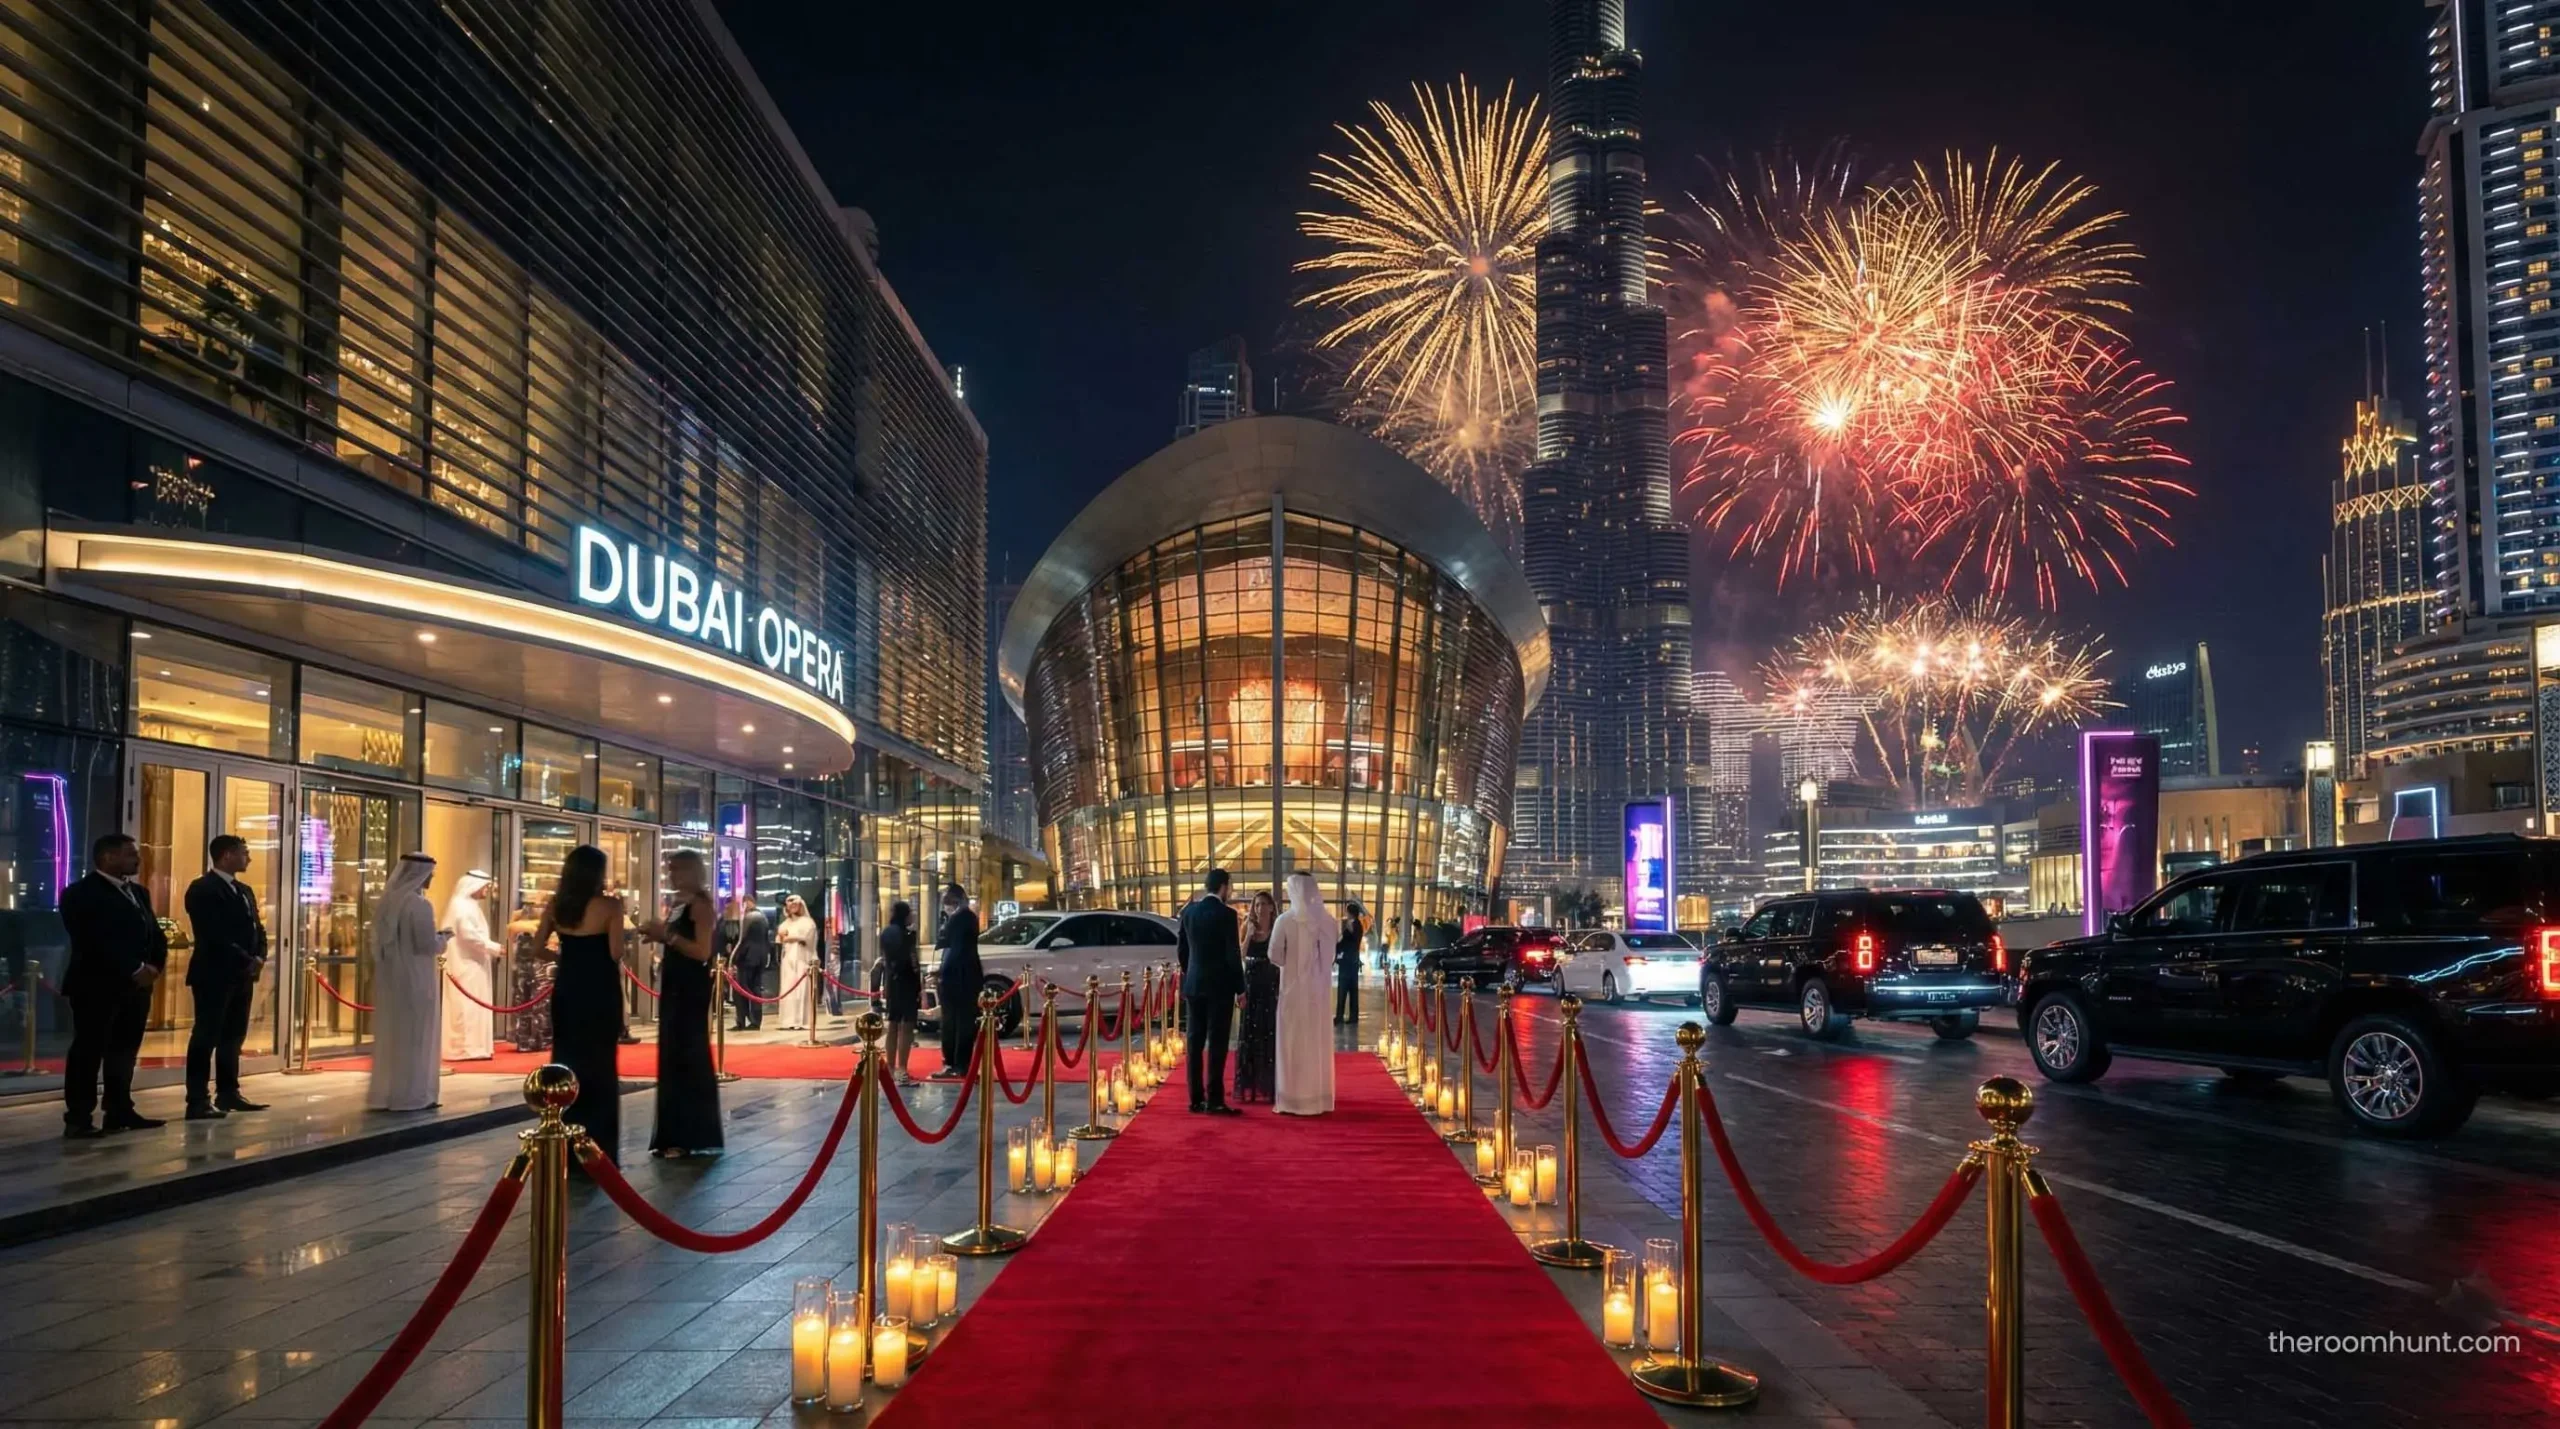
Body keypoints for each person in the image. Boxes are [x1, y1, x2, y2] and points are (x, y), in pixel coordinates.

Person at [59, 833, 167, 1137]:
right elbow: (91, 941)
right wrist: (132, 968)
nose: (137, 858)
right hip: (97, 986)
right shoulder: (79, 894)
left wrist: (154, 967)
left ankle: (119, 1109)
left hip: (137, 988)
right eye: (130, 854)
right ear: (108, 857)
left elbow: (154, 934)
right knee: (89, 1050)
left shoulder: (139, 893)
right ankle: (79, 1117)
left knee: (124, 1050)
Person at [542, 845, 630, 1164]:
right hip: (600, 989)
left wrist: (567, 958)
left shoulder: (557, 906)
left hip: (568, 987)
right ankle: (599, 1147)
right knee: (601, 1065)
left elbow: (537, 948)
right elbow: (615, 952)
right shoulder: (610, 905)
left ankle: (564, 1143)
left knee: (566, 1060)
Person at [639, 849, 722, 1158]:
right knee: (671, 1054)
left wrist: (668, 937)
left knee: (687, 1054)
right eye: (669, 869)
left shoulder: (700, 906)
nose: (671, 875)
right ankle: (671, 1133)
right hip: (674, 984)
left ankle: (688, 1134)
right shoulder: (677, 905)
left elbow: (702, 951)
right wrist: (658, 935)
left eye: (676, 869)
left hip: (690, 988)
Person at [182, 834, 270, 1119]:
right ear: (227, 855)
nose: (249, 858)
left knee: (233, 1036)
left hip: (242, 975)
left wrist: (260, 956)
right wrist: (246, 958)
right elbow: (213, 933)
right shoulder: (203, 889)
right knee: (206, 1035)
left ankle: (228, 1092)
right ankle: (197, 1099)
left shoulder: (243, 890)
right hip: (214, 973)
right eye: (244, 853)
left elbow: (257, 928)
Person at [365, 852, 443, 1113]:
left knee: (395, 1036)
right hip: (417, 978)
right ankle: (413, 1094)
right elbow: (426, 945)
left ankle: (389, 1093)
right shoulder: (420, 905)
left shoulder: (389, 903)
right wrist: (445, 938)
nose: (431, 878)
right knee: (416, 1036)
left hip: (393, 979)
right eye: (430, 873)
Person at [1269, 872, 1341, 1116]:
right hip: (1318, 993)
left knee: (1292, 1042)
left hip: (1291, 991)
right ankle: (1318, 1098)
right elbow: (1331, 958)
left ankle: (1292, 1099)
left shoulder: (1284, 921)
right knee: (1316, 1041)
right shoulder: (1329, 922)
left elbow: (1274, 956)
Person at [1176, 867, 1243, 1116]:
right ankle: (1214, 1099)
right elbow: (1232, 955)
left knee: (1194, 1041)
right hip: (1220, 988)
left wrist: (1191, 972)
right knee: (1217, 1043)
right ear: (1223, 887)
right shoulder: (1227, 915)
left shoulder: (1189, 912)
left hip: (1194, 985)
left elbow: (1182, 950)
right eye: (1230, 887)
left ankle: (1195, 1098)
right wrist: (1240, 988)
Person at [440, 870, 498, 1062]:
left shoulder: (469, 905)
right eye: (485, 887)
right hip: (466, 965)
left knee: (475, 1006)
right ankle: (465, 1048)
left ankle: (476, 1047)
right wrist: (494, 948)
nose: (486, 891)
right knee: (466, 1007)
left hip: (475, 963)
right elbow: (468, 936)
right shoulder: (461, 907)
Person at [1233, 890, 1279, 1104]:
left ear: (1271, 907)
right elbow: (1240, 955)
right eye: (1256, 904)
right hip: (1251, 983)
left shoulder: (1277, 928)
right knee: (1249, 1033)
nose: (1259, 908)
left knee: (1268, 1032)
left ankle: (1269, 1085)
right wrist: (1249, 935)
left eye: (1263, 904)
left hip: (1270, 984)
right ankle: (1248, 1086)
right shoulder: (1247, 926)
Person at [931, 884, 980, 1079]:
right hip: (961, 976)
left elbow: (956, 950)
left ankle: (956, 1063)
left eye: (947, 900)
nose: (945, 904)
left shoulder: (962, 919)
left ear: (955, 899)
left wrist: (942, 972)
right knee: (957, 1021)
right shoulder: (964, 918)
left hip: (959, 977)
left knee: (957, 1022)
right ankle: (957, 1062)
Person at [877, 902, 922, 1085]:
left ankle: (889, 1067)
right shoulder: (907, 935)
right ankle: (902, 1069)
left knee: (893, 1024)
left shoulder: (886, 932)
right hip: (906, 982)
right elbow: (911, 961)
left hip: (891, 981)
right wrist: (918, 984)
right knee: (907, 1025)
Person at [724, 895, 774, 1032]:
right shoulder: (763, 917)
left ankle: (742, 1021)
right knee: (756, 989)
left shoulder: (749, 918)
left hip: (747, 958)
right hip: (760, 958)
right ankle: (755, 1021)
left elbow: (741, 939)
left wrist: (733, 958)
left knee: (741, 990)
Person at [774, 894, 819, 1031]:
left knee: (802, 989)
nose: (792, 907)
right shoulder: (785, 924)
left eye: (795, 904)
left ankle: (802, 1020)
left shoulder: (808, 922)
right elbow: (779, 939)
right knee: (788, 987)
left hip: (802, 959)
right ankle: (788, 1020)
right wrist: (787, 938)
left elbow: (807, 939)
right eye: (789, 904)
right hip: (788, 959)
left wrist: (791, 937)